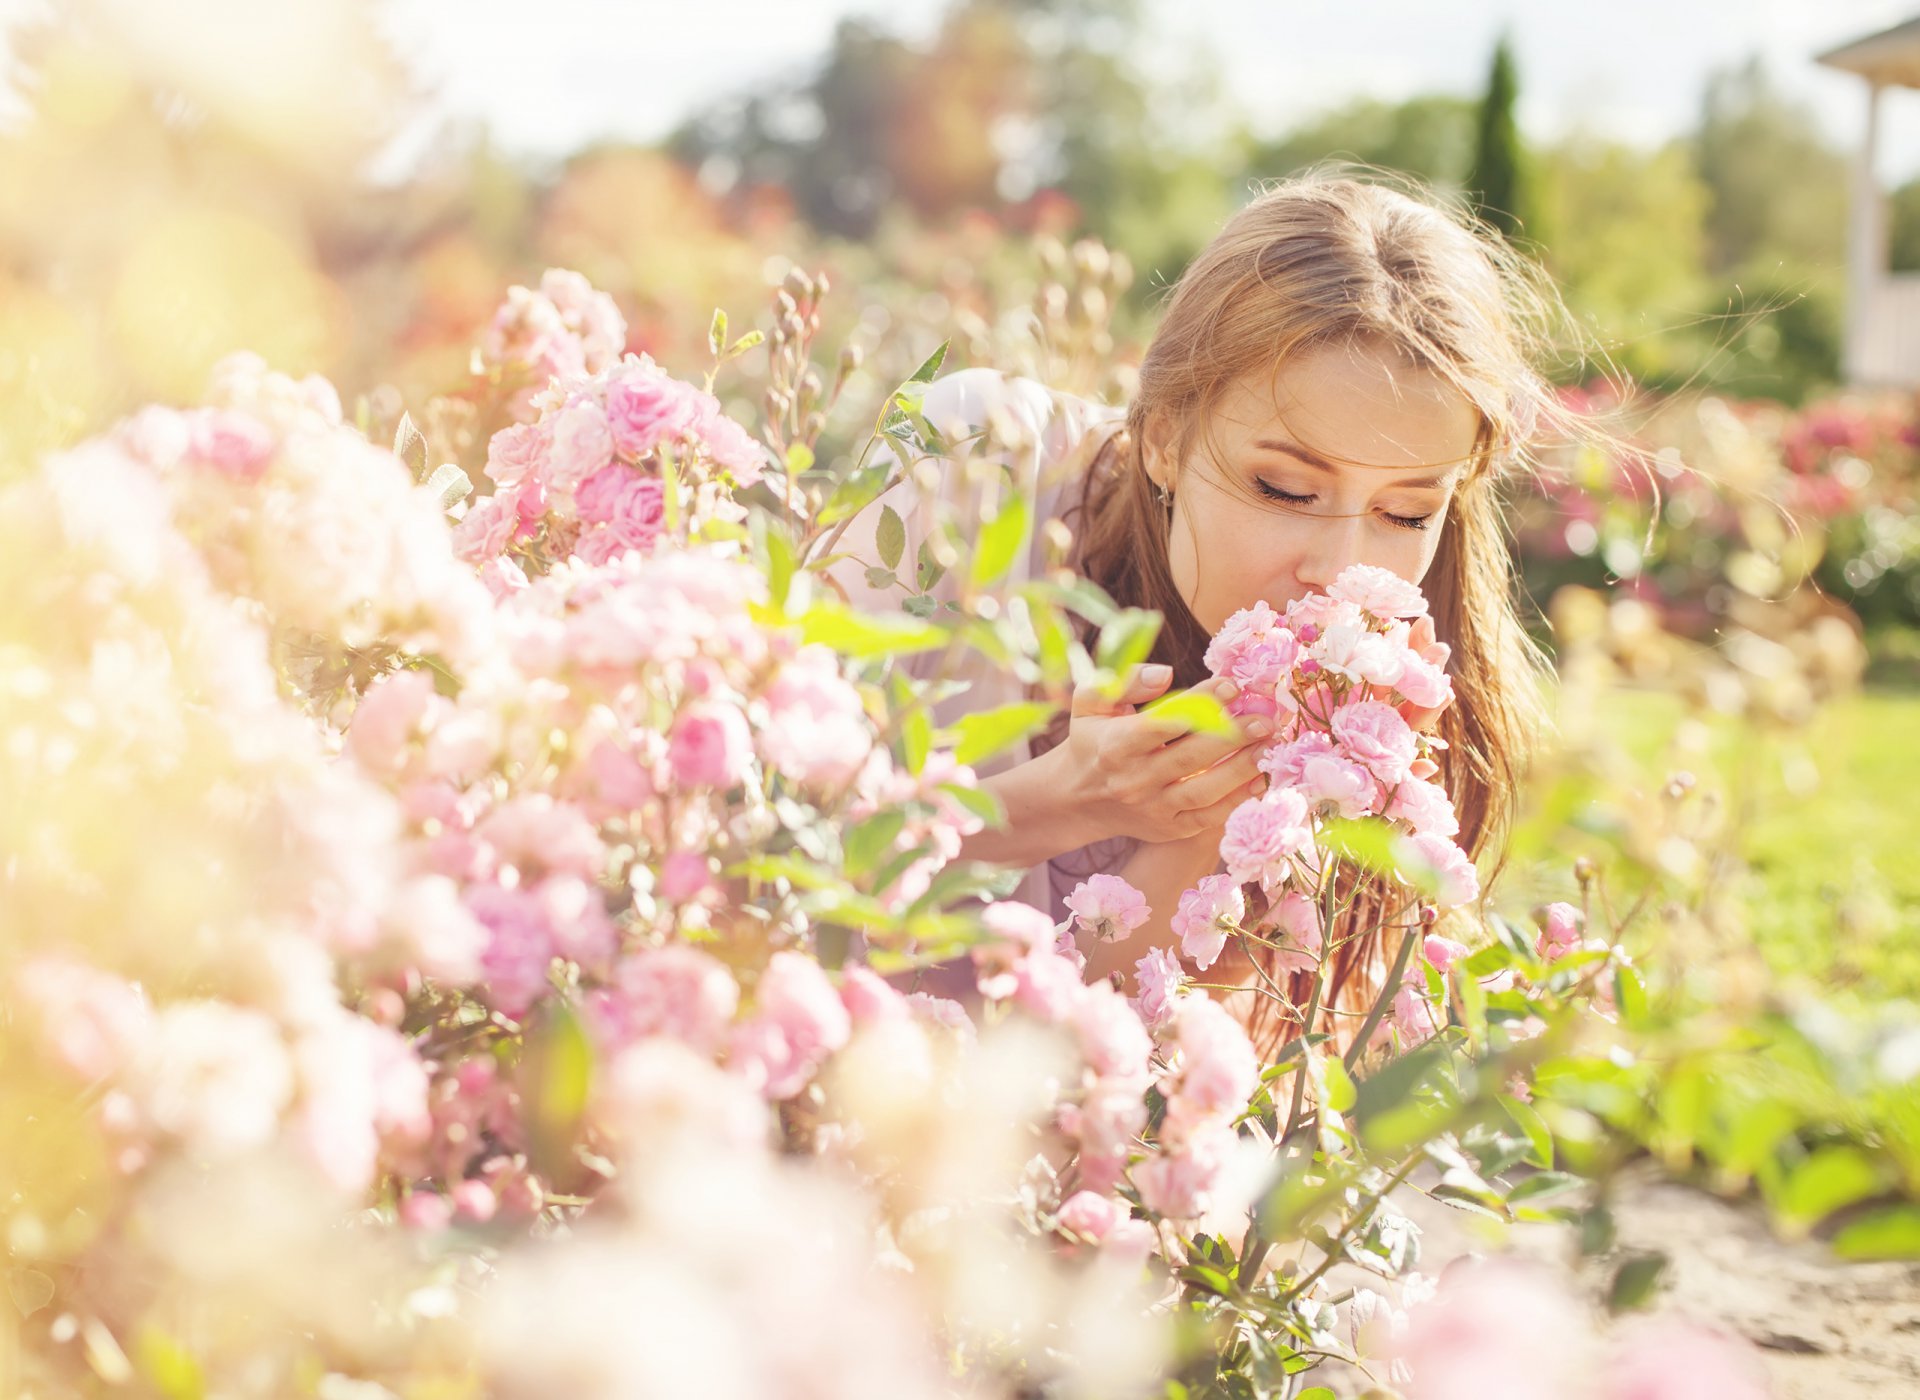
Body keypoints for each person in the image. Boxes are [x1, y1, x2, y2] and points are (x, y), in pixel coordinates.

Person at [828, 168, 1559, 1056]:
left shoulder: (1391, 699)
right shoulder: (970, 456)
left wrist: (1228, 817)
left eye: (1407, 512)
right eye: (1284, 488)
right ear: (1167, 436)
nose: (1341, 568)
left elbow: (1085, 1060)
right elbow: (762, 858)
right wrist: (1054, 803)